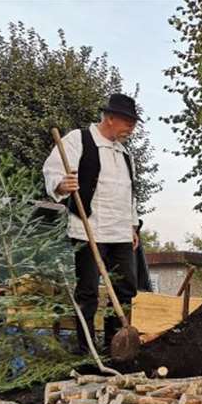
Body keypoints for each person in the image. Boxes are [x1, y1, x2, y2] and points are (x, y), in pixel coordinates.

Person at [43, 93, 142, 355]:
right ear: (110, 118)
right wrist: (62, 184)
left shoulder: (125, 154)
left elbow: (128, 193)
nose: (131, 127)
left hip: (119, 231)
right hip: (88, 228)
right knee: (88, 290)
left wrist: (132, 226)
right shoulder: (79, 140)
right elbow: (53, 170)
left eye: (133, 122)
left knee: (125, 287)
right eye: (127, 121)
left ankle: (114, 346)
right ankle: (87, 349)